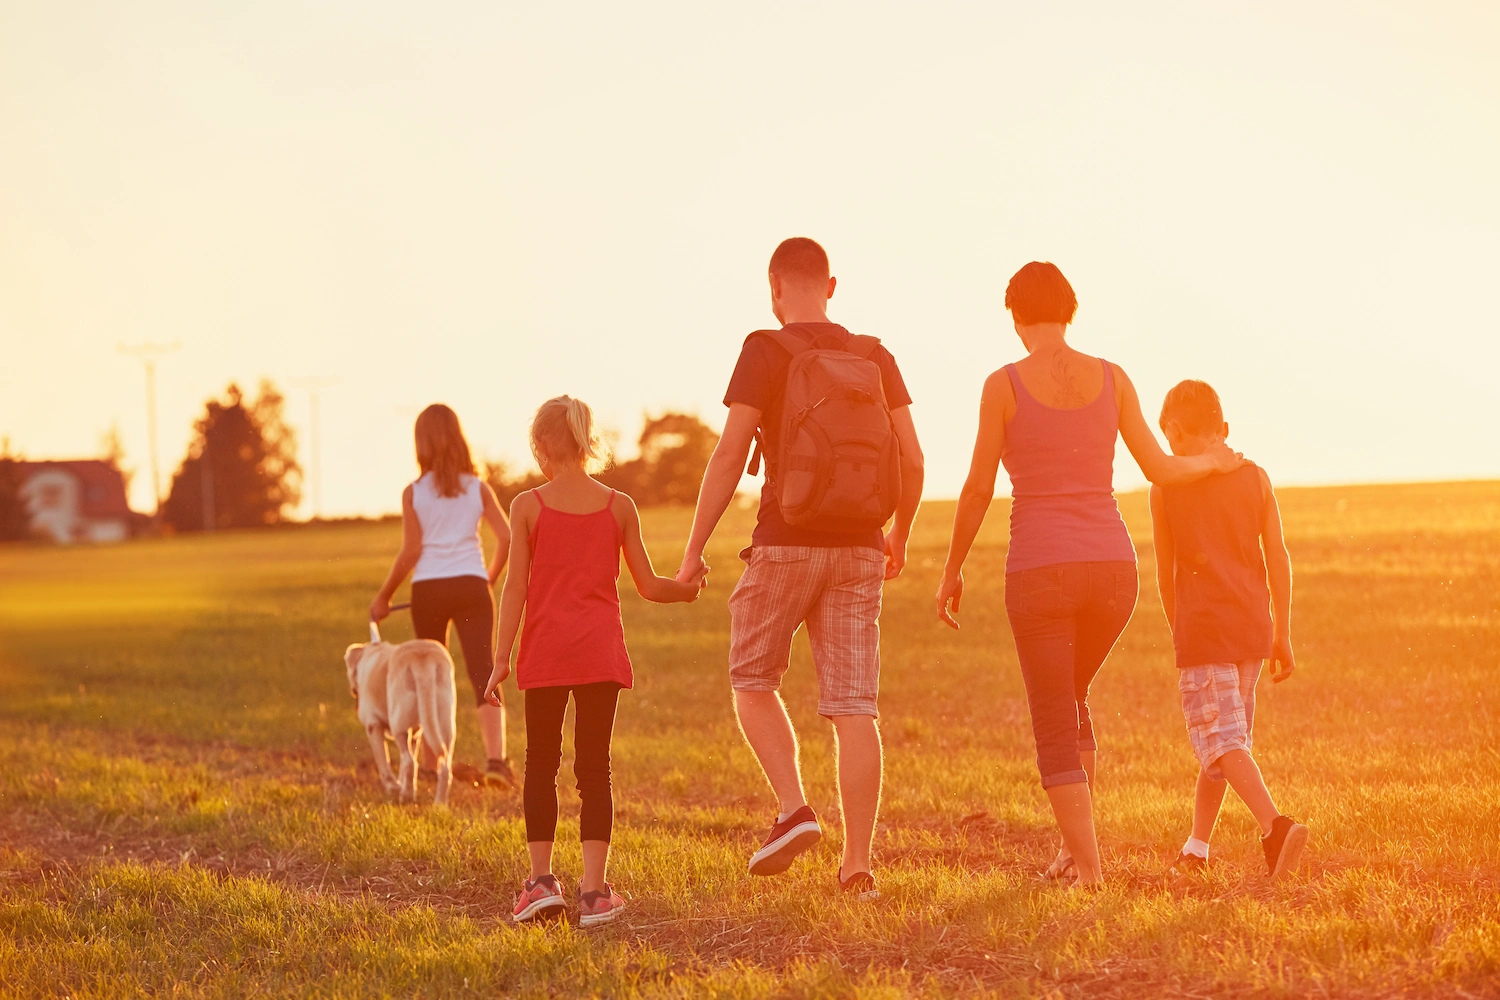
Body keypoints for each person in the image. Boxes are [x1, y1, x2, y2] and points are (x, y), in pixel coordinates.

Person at [935, 262, 1242, 888]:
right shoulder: (1114, 378)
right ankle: (1075, 851)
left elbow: (975, 489)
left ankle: (1092, 870)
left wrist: (952, 568)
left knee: (1052, 716)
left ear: (1016, 317)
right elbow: (1160, 467)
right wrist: (1213, 460)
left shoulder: (1004, 385)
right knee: (1072, 700)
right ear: (1070, 310)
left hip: (1040, 572)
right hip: (1113, 574)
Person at [676, 237, 925, 900]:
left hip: (784, 540)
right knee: (854, 706)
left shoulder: (765, 349)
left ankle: (793, 809)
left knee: (752, 677)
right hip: (861, 547)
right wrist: (897, 535)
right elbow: (915, 459)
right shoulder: (874, 356)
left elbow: (730, 455)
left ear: (774, 286)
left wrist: (694, 548)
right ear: (832, 286)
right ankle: (859, 867)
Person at [485, 395, 706, 927]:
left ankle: (541, 883)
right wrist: (688, 588)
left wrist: (499, 659)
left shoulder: (527, 507)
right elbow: (650, 586)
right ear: (588, 443)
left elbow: (514, 587)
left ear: (540, 446)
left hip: (544, 651)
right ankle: (594, 893)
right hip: (599, 652)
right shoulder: (618, 505)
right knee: (593, 768)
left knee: (541, 763)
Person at [1149, 380, 1308, 880]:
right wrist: (1281, 630)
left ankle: (1274, 828)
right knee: (1225, 742)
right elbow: (1277, 556)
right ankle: (1197, 846)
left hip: (1205, 632)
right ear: (1223, 429)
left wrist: (1182, 631)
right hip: (1251, 629)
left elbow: (1164, 571)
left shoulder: (1166, 486)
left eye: (1169, 439)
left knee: (1220, 742)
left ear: (1173, 432)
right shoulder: (1257, 478)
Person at [370, 403, 513, 788]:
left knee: (429, 675)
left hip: (428, 589)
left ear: (421, 443)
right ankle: (496, 761)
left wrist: (384, 596)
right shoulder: (477, 489)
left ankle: (432, 765)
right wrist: (488, 578)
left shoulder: (413, 493)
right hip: (471, 585)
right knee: (483, 670)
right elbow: (507, 537)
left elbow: (412, 551)